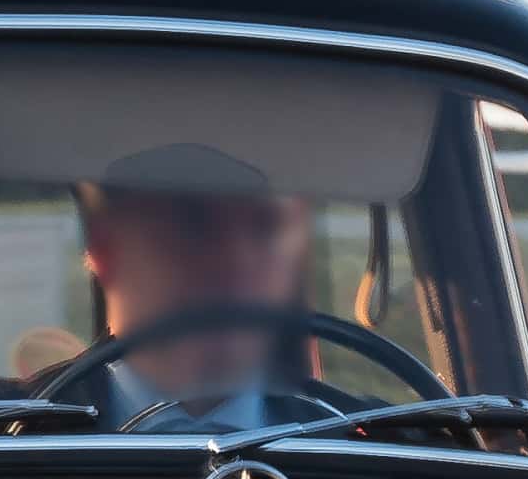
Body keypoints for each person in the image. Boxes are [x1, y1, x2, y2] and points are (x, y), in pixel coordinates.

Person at [68, 185, 338, 432]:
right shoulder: (27, 432)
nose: (236, 262)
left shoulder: (364, 437)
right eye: (195, 224)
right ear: (104, 248)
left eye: (264, 226)